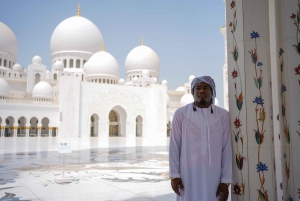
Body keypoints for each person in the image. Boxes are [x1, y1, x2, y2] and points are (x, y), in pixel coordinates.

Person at [169, 76, 232, 201]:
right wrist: (174, 176)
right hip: (188, 177)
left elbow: (227, 148)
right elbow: (174, 146)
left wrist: (225, 181)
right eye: (198, 88)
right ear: (193, 92)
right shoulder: (181, 114)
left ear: (212, 91)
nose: (201, 91)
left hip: (214, 177)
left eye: (205, 88)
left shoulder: (223, 115)